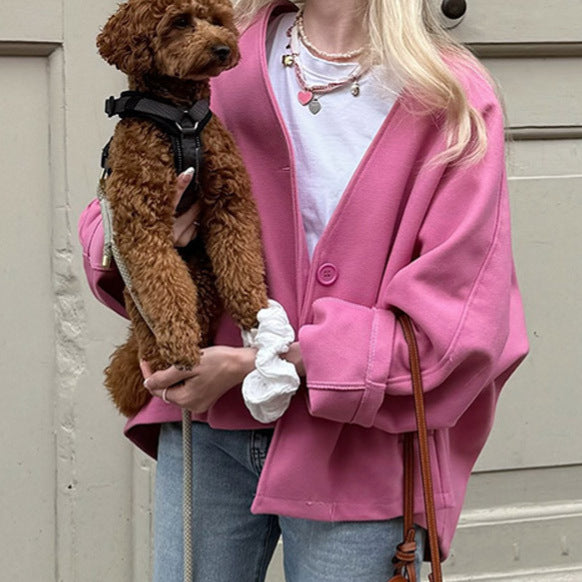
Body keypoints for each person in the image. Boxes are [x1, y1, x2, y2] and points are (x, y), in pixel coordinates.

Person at [78, 0, 530, 580]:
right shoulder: (223, 55)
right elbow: (112, 213)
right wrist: (148, 233)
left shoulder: (452, 96)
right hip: (209, 432)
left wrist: (261, 363)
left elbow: (460, 320)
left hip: (360, 453)